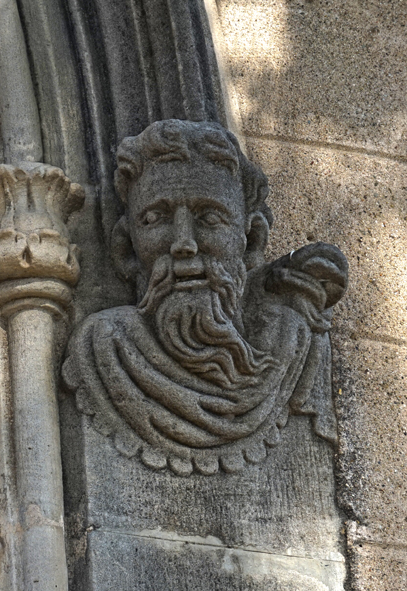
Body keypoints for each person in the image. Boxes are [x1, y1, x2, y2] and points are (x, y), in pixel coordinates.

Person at [62, 119, 348, 476]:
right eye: (155, 218)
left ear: (252, 241)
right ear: (126, 249)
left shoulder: (290, 340)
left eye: (209, 217)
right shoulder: (107, 346)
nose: (184, 243)